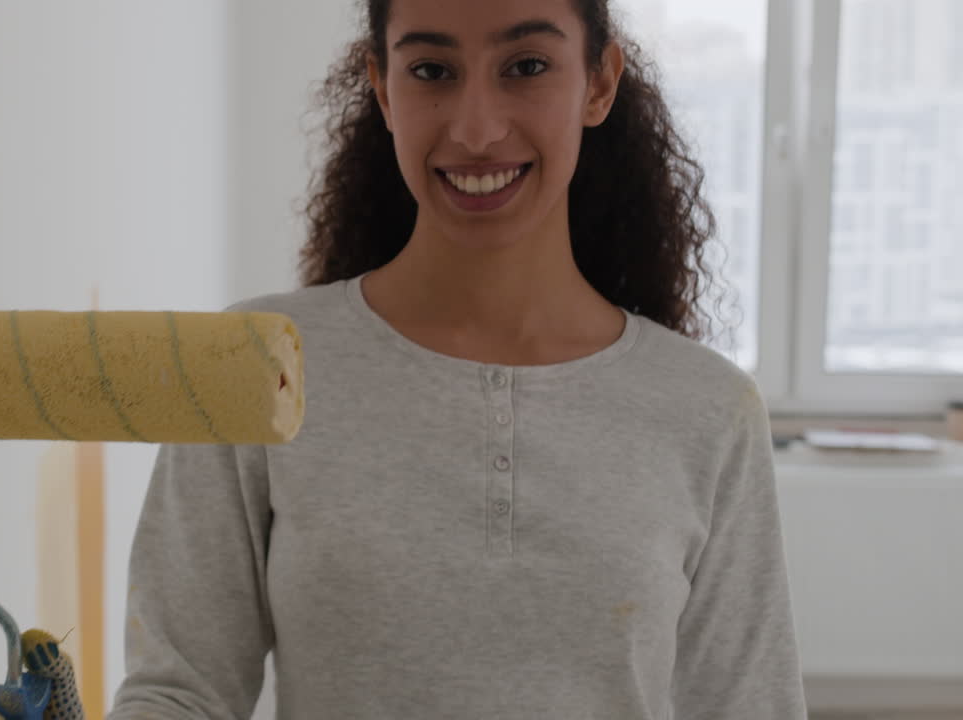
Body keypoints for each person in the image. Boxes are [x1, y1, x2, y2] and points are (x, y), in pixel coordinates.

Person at [49, 0, 809, 718]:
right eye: (432, 72)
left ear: (599, 83)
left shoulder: (707, 411)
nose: (476, 131)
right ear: (382, 88)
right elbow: (184, 694)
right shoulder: (251, 365)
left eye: (527, 66)